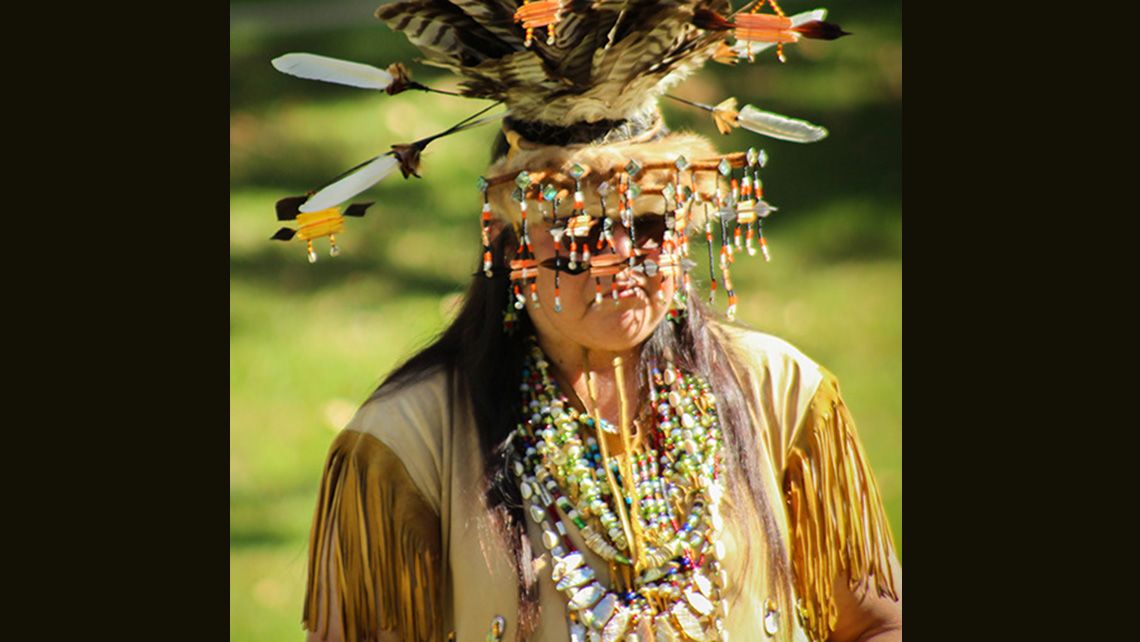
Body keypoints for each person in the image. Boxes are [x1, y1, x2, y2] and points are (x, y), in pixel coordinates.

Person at [290, 2, 901, 641]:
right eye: (579, 233)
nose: (620, 261)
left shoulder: (778, 390)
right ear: (511, 246)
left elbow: (875, 624)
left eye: (648, 225)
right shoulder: (408, 438)